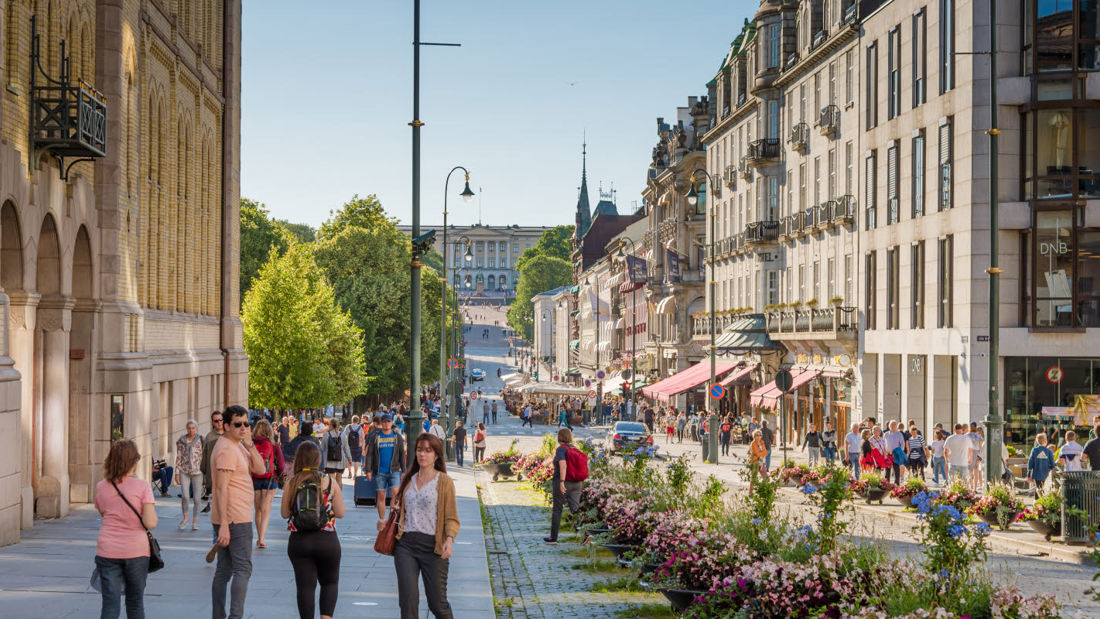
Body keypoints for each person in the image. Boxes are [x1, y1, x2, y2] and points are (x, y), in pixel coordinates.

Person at [393, 433, 460, 619]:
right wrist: (387, 520)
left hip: (433, 546)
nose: (423, 455)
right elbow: (400, 510)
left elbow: (451, 516)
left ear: (436, 455)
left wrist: (449, 539)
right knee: (408, 601)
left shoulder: (444, 482)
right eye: (420, 450)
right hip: (406, 545)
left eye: (428, 451)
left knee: (437, 604)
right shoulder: (408, 479)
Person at [210, 405, 266, 619]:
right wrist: (224, 523)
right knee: (242, 568)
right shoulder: (226, 449)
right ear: (225, 426)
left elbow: (260, 470)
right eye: (237, 424)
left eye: (246, 423)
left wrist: (250, 445)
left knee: (225, 569)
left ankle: (220, 616)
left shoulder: (238, 445)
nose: (243, 427)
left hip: (235, 516)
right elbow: (221, 488)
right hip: (234, 518)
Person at [94, 439, 158, 619]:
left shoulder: (101, 487)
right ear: (133, 461)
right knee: (135, 602)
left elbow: (103, 512)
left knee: (110, 604)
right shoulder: (143, 486)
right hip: (136, 552)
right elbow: (150, 522)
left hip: (107, 550)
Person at [281, 441, 345, 619]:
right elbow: (340, 513)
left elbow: (284, 513)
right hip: (327, 540)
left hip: (300, 541)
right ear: (318, 459)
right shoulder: (329, 481)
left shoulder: (292, 482)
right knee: (330, 582)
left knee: (305, 587)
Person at [365, 414, 406, 530]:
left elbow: (402, 454)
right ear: (381, 423)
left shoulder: (397, 436)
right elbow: (369, 454)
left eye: (388, 422)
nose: (386, 424)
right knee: (381, 495)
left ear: (391, 423)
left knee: (395, 493)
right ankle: (382, 519)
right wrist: (368, 470)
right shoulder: (376, 436)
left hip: (394, 470)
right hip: (379, 471)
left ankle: (392, 520)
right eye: (384, 422)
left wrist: (404, 470)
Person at [544, 428, 584, 544]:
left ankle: (553, 538)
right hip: (577, 482)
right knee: (575, 509)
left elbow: (563, 466)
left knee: (557, 509)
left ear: (559, 437)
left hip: (563, 482)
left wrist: (562, 482)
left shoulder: (561, 449)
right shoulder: (574, 448)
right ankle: (585, 534)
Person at [251, 419, 286, 549]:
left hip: (255, 479)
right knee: (266, 510)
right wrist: (277, 474)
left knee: (258, 510)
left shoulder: (251, 444)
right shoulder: (273, 444)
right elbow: (281, 465)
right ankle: (262, 538)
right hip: (270, 479)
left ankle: (259, 536)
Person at [175, 419, 204, 531]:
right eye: (189, 428)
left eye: (193, 428)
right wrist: (176, 473)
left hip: (198, 472)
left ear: (196, 428)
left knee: (197, 498)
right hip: (184, 470)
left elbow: (204, 456)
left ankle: (195, 521)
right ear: (186, 429)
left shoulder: (201, 439)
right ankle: (185, 518)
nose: (191, 430)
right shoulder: (181, 440)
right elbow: (178, 456)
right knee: (185, 496)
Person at [201, 410, 225, 513]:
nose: (219, 423)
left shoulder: (230, 434)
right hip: (213, 474)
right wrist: (204, 475)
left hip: (227, 473)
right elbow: (204, 456)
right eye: (216, 421)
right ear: (212, 423)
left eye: (221, 420)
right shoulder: (209, 437)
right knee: (216, 504)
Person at [319, 419, 352, 484]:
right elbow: (346, 448)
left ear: (330, 425)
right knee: (339, 479)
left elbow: (322, 449)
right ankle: (339, 493)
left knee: (332, 480)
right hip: (340, 461)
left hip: (329, 461)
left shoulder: (326, 435)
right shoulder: (343, 435)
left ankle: (333, 493)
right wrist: (349, 458)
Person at [345, 416, 364, 480]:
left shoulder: (348, 427)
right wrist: (363, 447)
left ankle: (349, 472)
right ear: (358, 421)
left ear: (352, 420)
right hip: (358, 446)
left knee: (349, 460)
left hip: (349, 446)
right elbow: (362, 438)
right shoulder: (360, 427)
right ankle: (355, 474)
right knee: (356, 461)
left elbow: (345, 437)